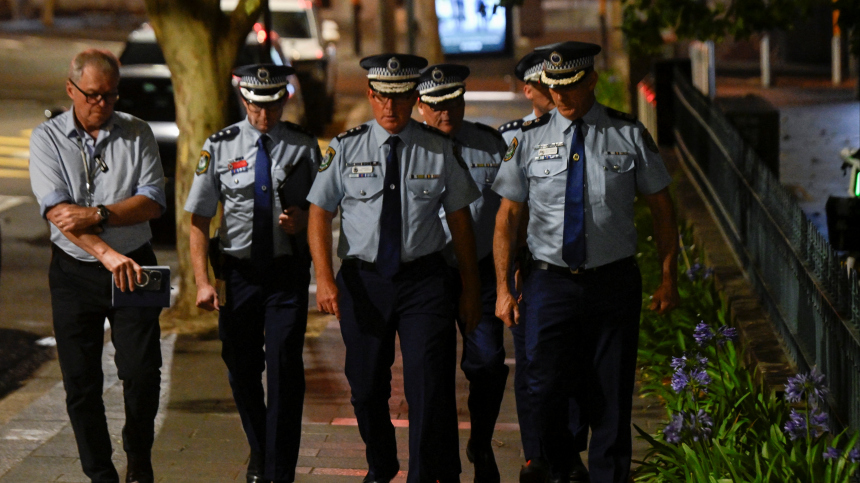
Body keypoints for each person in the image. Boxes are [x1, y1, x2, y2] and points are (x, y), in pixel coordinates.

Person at [492, 41, 680, 483]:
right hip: (548, 281)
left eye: (571, 86)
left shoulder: (628, 134)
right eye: (554, 87)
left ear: (591, 80)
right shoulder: (529, 141)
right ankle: (560, 466)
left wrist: (668, 276)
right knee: (545, 385)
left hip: (612, 282)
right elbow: (508, 216)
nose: (561, 96)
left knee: (611, 391)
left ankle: (609, 476)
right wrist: (503, 287)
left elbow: (662, 207)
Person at [307, 53, 482, 483]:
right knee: (365, 387)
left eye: (401, 97)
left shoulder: (438, 149)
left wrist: (470, 288)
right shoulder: (346, 147)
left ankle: (423, 474)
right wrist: (324, 279)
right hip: (364, 281)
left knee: (427, 387)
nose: (391, 107)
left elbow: (460, 221)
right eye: (383, 96)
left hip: (424, 280)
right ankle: (381, 461)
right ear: (370, 95)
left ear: (413, 97)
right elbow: (318, 212)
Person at [29, 49, 166, 483]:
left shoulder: (137, 132)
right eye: (92, 95)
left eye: (110, 95)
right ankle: (100, 472)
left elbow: (152, 202)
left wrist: (100, 214)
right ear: (71, 90)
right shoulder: (46, 138)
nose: (102, 105)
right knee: (81, 383)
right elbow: (59, 213)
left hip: (137, 264)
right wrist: (105, 252)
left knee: (143, 372)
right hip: (74, 270)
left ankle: (139, 456)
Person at [184, 64, 321, 483]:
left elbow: (324, 209)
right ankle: (260, 448)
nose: (265, 115)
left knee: (284, 367)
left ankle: (278, 469)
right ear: (244, 101)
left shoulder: (303, 146)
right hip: (238, 274)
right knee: (241, 367)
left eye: (273, 106)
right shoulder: (220, 146)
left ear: (285, 100)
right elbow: (199, 218)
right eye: (257, 107)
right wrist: (203, 281)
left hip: (286, 274)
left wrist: (304, 220)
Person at [498, 52, 590, 483]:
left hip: (573, 270)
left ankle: (569, 451)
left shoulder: (585, 131)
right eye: (542, 87)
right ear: (530, 90)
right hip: (531, 271)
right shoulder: (516, 137)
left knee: (574, 365)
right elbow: (505, 215)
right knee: (536, 366)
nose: (552, 94)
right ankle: (537, 453)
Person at [415, 63, 508, 483]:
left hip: (484, 270)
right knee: (432, 371)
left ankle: (481, 442)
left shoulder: (491, 146)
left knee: (487, 363)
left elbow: (514, 209)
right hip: (430, 272)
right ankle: (443, 463)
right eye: (435, 105)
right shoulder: (408, 148)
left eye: (452, 102)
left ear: (463, 100)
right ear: (420, 106)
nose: (445, 112)